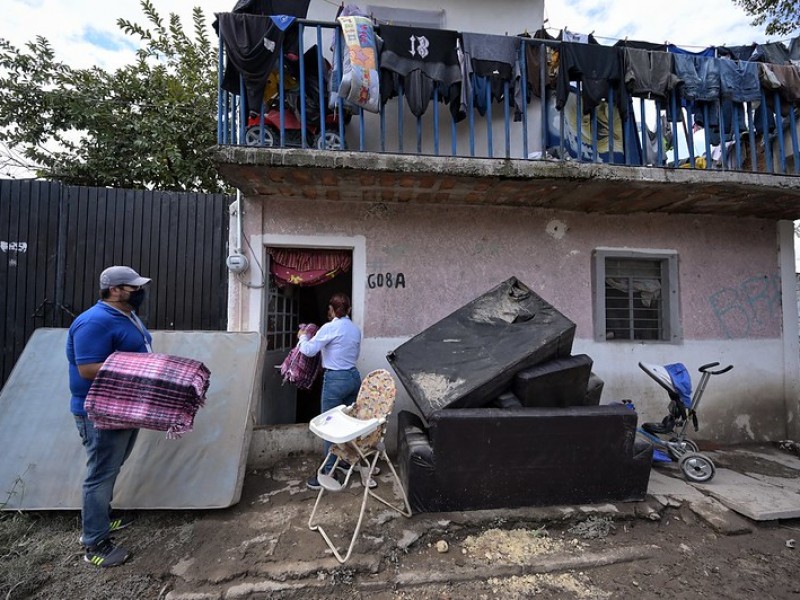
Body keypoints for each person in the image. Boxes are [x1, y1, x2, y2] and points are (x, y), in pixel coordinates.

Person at [66, 265, 152, 568]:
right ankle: (94, 543)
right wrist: (138, 368)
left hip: (123, 407)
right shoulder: (94, 322)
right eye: (134, 287)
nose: (139, 292)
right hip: (100, 410)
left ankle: (104, 518)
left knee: (112, 467)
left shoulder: (125, 316)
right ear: (115, 290)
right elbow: (87, 368)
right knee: (100, 473)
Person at [297, 292, 362, 490]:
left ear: (331, 311)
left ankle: (328, 471)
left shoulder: (330, 327)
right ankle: (344, 460)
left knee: (330, 426)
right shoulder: (355, 329)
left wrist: (303, 338)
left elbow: (308, 350)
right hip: (353, 377)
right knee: (349, 424)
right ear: (349, 309)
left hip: (335, 380)